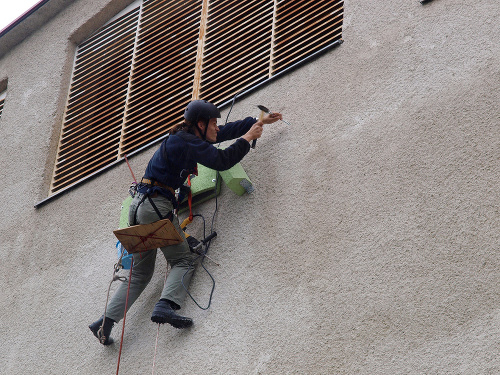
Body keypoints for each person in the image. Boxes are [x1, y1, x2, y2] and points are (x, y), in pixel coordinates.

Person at [89, 99, 282, 345]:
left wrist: (256, 122)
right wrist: (246, 139)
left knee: (140, 274)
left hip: (139, 207)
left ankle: (104, 323)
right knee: (183, 259)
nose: (216, 128)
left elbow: (221, 134)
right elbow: (222, 161)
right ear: (200, 125)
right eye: (213, 123)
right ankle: (165, 306)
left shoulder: (183, 138)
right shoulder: (186, 141)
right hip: (156, 206)